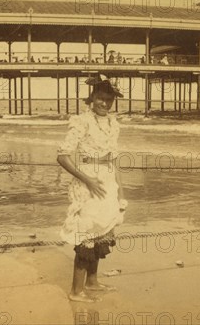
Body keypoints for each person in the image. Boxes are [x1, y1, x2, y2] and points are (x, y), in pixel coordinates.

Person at [57, 74, 126, 303]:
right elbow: (63, 156)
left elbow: (114, 159)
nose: (105, 103)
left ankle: (92, 282)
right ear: (92, 98)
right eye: (100, 99)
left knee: (101, 231)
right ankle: (76, 291)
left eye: (109, 99)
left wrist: (120, 191)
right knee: (86, 233)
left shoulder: (113, 124)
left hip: (108, 182)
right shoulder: (81, 121)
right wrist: (87, 180)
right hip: (88, 183)